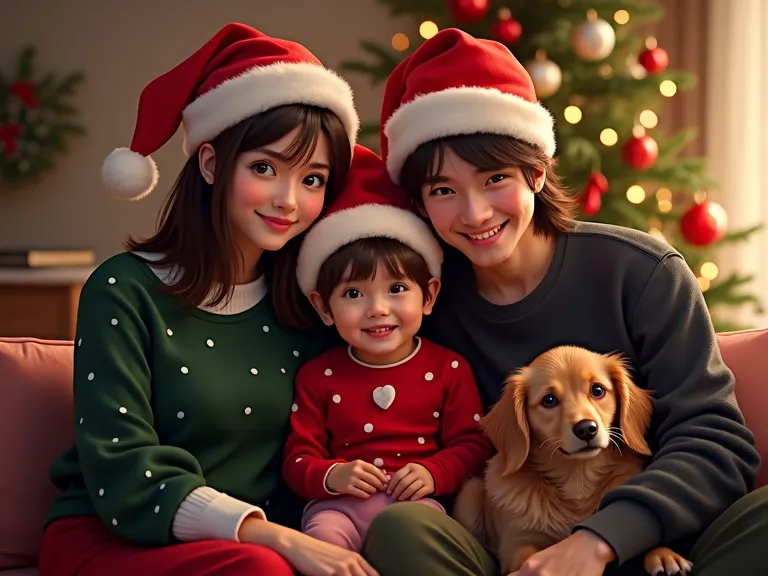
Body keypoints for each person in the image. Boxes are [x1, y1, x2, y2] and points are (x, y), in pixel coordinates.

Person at [361, 27, 768, 576]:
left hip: (665, 546)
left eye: (495, 178)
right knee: (403, 528)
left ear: (536, 171)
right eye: (442, 190)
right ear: (420, 203)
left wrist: (600, 541)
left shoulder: (642, 271)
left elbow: (717, 443)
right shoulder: (421, 303)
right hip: (515, 553)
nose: (475, 213)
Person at [37, 22, 384, 576]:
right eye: (265, 168)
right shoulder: (123, 290)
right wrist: (277, 540)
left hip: (260, 543)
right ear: (210, 164)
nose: (288, 200)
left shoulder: (308, 306)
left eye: (313, 179)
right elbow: (124, 467)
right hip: (115, 536)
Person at [282, 144, 494, 552]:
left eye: (397, 289)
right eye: (353, 293)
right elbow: (297, 458)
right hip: (338, 508)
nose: (377, 309)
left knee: (417, 543)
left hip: (417, 506)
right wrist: (332, 476)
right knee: (322, 543)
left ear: (428, 296)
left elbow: (474, 444)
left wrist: (434, 472)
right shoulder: (319, 375)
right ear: (323, 307)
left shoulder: (448, 368)